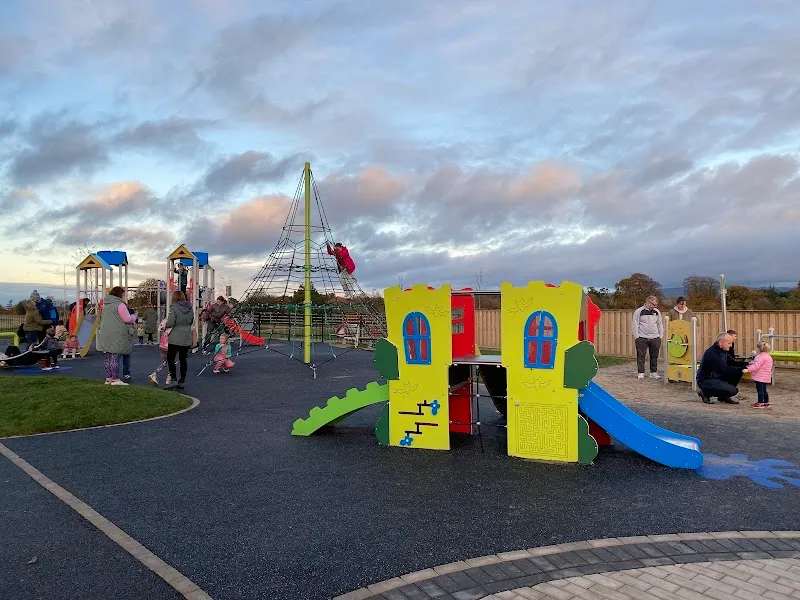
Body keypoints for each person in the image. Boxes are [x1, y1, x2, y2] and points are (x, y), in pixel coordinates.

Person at [96, 286, 136, 385]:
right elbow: (127, 319)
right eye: (123, 294)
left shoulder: (106, 305)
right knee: (115, 356)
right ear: (119, 294)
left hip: (106, 333)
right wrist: (134, 316)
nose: (124, 296)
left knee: (108, 357)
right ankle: (115, 379)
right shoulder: (120, 305)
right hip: (117, 333)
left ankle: (109, 378)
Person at [696, 332, 743, 404]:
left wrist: (748, 365)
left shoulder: (723, 351)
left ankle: (723, 396)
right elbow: (725, 370)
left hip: (718, 376)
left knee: (738, 372)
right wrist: (742, 368)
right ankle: (705, 393)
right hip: (706, 379)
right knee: (733, 390)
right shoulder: (712, 354)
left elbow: (733, 363)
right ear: (721, 343)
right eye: (729, 343)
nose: (731, 345)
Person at [165, 290, 194, 389]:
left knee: (170, 358)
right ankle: (182, 380)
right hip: (186, 335)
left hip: (175, 336)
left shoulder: (173, 307)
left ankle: (173, 379)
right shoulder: (190, 308)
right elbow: (191, 321)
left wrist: (165, 325)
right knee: (183, 359)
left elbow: (171, 322)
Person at [632, 295, 663, 379]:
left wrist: (660, 336)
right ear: (648, 303)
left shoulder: (656, 312)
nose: (655, 306)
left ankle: (653, 372)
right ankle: (641, 372)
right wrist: (637, 337)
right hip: (642, 337)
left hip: (655, 337)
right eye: (654, 304)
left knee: (654, 356)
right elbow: (635, 324)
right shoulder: (639, 311)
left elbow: (659, 324)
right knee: (641, 356)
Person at [743, 341, 774, 409]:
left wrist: (748, 369)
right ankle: (766, 402)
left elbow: (756, 365)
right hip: (766, 376)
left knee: (760, 390)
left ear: (759, 349)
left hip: (759, 376)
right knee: (764, 390)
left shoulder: (760, 357)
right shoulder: (769, 357)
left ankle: (760, 402)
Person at [148, 319, 172, 386]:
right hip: (168, 347)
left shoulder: (164, 330)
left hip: (162, 347)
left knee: (164, 363)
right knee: (172, 362)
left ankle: (154, 374)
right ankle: (169, 378)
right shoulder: (170, 329)